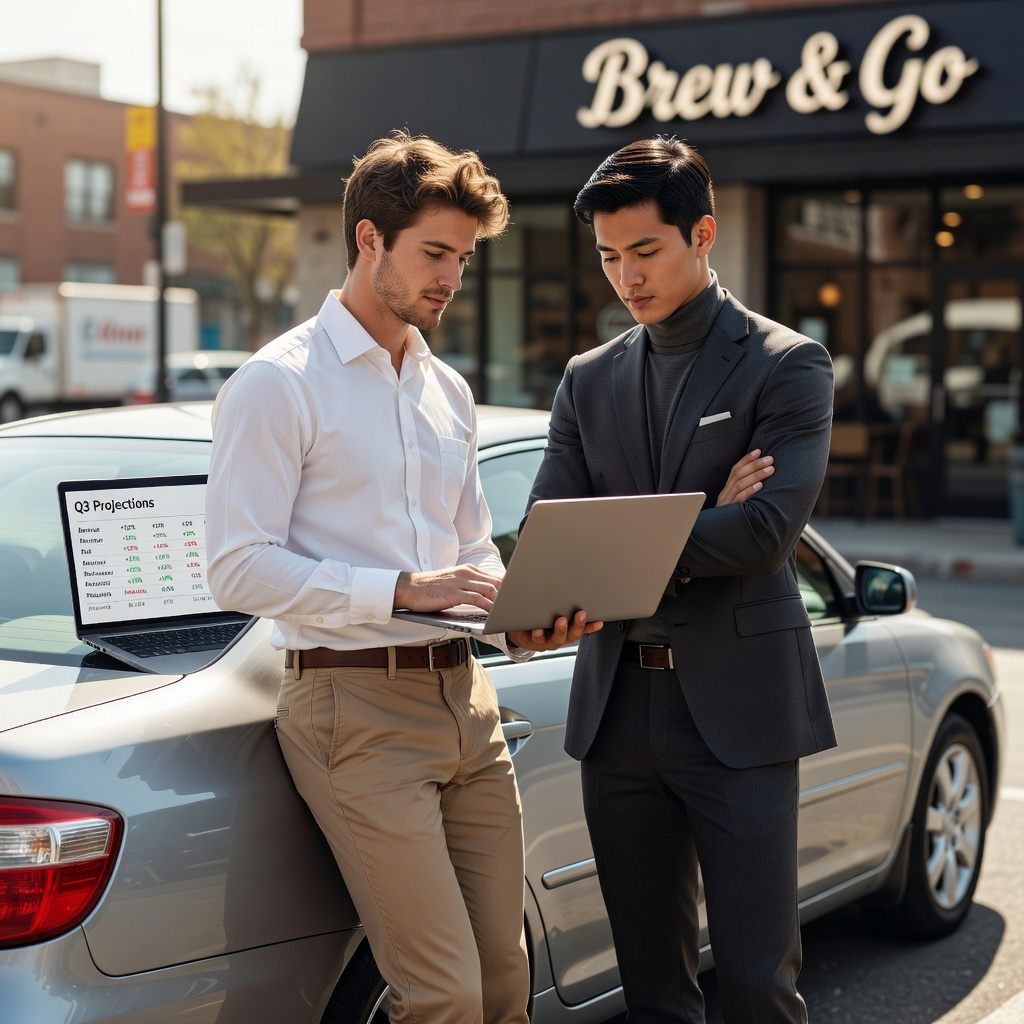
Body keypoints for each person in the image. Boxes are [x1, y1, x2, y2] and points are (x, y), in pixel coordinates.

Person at [205, 131, 593, 1024]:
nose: (453, 277)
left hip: (469, 704)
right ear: (369, 240)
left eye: (462, 257)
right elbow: (235, 564)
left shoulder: (446, 390)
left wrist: (516, 612)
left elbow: (470, 555)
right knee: (443, 995)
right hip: (353, 713)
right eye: (435, 254)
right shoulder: (278, 383)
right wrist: (397, 591)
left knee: (504, 980)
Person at [517, 137, 837, 1023]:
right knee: (651, 991)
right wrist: (702, 513)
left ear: (703, 233)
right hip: (616, 715)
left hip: (740, 714)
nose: (626, 277)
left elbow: (767, 533)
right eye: (610, 258)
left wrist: (628, 533)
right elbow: (554, 538)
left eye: (645, 251)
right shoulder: (588, 380)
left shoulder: (788, 364)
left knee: (757, 983)